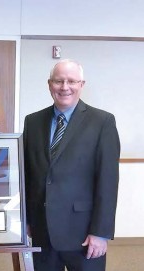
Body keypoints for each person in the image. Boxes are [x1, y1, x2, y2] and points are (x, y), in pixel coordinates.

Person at [23, 59, 120, 271]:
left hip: (84, 235)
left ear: (81, 85)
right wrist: (27, 220)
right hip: (43, 231)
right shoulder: (32, 122)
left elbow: (108, 181)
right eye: (58, 81)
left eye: (71, 81)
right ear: (49, 84)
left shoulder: (102, 122)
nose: (65, 87)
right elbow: (28, 175)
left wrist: (100, 232)